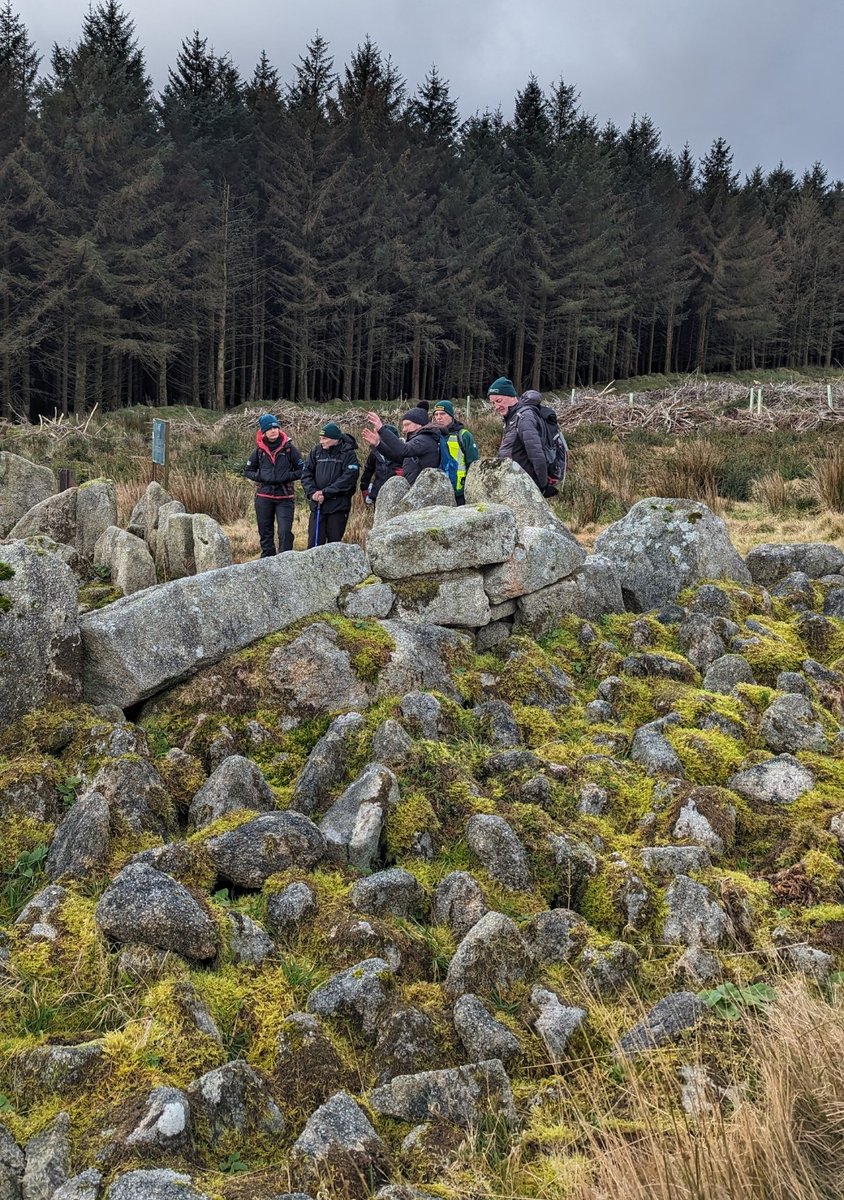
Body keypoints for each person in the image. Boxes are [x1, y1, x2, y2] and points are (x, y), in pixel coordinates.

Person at [244, 413, 305, 557]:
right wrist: (260, 477)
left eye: (276, 428)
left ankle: (286, 560)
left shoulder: (289, 449)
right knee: (265, 532)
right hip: (263, 496)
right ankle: (267, 561)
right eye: (270, 429)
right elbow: (248, 471)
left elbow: (302, 470)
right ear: (264, 432)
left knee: (284, 532)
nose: (274, 431)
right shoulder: (258, 451)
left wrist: (286, 477)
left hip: (285, 497)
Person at [487, 377, 554, 495]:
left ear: (511, 397)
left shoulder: (524, 418)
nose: (496, 407)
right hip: (516, 484)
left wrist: (542, 486)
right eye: (493, 403)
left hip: (526, 487)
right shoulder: (512, 417)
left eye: (499, 400)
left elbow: (537, 455)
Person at [301, 421, 360, 547]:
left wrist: (325, 492)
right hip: (318, 505)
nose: (321, 441)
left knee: (334, 545)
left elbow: (349, 478)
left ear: (335, 439)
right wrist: (313, 493)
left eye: (324, 438)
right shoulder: (316, 451)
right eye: (320, 438)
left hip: (338, 506)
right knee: (314, 545)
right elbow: (306, 473)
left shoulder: (348, 453)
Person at [362, 402, 441, 487]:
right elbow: (399, 457)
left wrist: (382, 429)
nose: (404, 430)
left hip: (423, 490)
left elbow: (404, 450)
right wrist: (378, 444)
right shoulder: (419, 439)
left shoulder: (424, 439)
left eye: (407, 425)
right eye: (403, 426)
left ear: (419, 424)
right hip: (416, 488)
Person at [431, 399, 479, 503]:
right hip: (437, 491)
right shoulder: (431, 436)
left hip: (459, 491)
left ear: (451, 415)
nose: (439, 417)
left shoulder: (463, 435)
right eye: (436, 414)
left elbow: (474, 464)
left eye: (442, 414)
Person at [359, 424, 401, 504]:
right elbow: (368, 470)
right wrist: (364, 489)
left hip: (397, 493)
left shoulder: (403, 452)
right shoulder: (374, 453)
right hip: (378, 493)